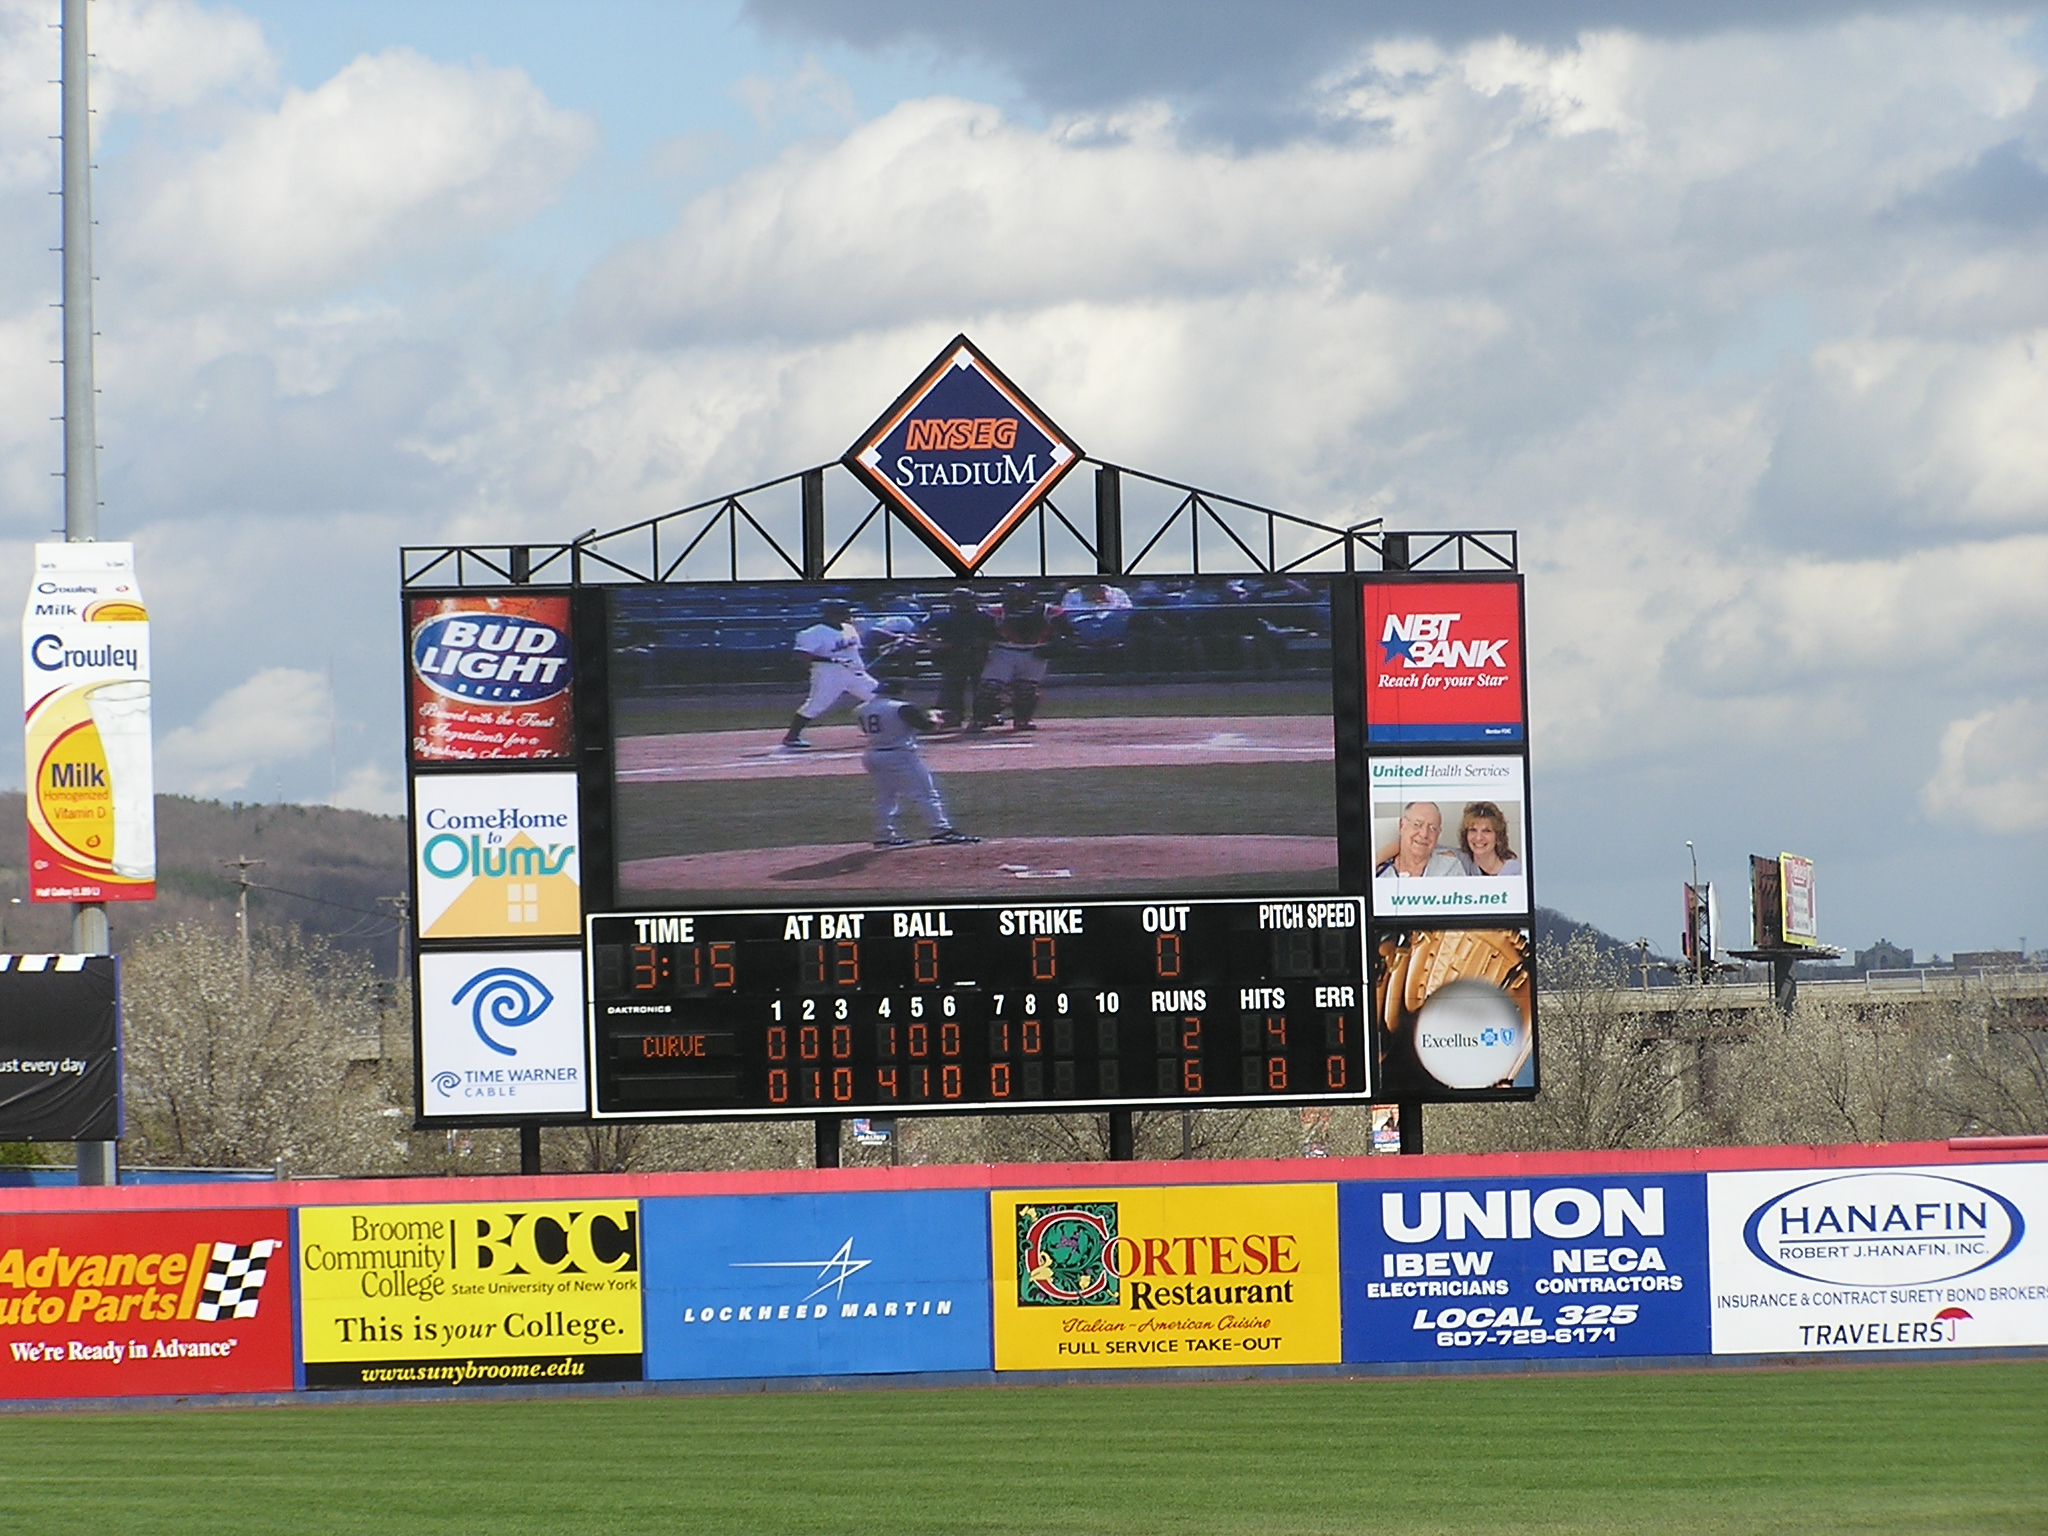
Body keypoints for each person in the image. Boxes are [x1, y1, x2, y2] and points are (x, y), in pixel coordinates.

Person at [854, 674, 981, 847]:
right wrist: (934, 716)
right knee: (926, 793)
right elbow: (927, 727)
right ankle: (941, 830)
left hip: (873, 755)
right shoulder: (902, 707)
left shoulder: (862, 708)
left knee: (886, 796)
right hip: (899, 755)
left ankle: (884, 835)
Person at [780, 599, 876, 750]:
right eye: (845, 611)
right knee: (816, 705)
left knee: (880, 697)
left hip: (855, 673)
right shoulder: (813, 632)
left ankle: (874, 725)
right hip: (828, 674)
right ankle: (792, 737)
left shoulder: (849, 628)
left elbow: (853, 650)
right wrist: (830, 659)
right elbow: (799, 655)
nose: (849, 614)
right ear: (833, 613)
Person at [972, 584, 1059, 732]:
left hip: (1035, 651)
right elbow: (981, 633)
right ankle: (980, 719)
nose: (1016, 598)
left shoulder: (1047, 611)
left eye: (1020, 594)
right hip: (1004, 651)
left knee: (1027, 690)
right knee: (990, 688)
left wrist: (1054, 644)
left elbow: (1066, 631)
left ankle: (1022, 720)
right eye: (1012, 594)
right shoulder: (997, 611)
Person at [923, 587, 996, 728]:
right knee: (952, 689)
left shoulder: (983, 615)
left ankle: (981, 717)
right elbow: (921, 630)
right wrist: (936, 643)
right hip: (952, 656)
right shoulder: (942, 615)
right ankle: (952, 717)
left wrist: (986, 644)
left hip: (977, 655)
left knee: (981, 689)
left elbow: (995, 634)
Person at [1373, 802, 1465, 878]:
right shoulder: (1380, 871)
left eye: (1432, 828)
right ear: (1402, 826)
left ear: (1438, 834)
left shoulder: (1450, 868)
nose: (1424, 834)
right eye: (1417, 824)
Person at [1457, 801, 1524, 877]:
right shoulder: (1461, 864)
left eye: (1486, 831)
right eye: (1473, 830)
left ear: (1498, 836)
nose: (1478, 837)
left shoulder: (1516, 871)